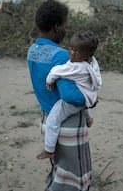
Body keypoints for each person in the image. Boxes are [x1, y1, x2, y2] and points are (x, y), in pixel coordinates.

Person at [27, 0, 92, 191]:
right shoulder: (62, 55)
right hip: (68, 124)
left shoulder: (32, 51)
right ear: (56, 27)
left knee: (58, 167)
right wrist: (89, 99)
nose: (66, 30)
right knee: (74, 174)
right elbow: (70, 96)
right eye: (65, 25)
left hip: (47, 121)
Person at [40, 30, 102, 159]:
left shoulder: (77, 67)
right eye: (71, 48)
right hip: (87, 97)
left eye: (78, 51)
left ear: (88, 54)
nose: (72, 53)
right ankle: (88, 119)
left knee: (52, 120)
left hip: (76, 101)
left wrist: (49, 80)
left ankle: (49, 149)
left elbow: (56, 71)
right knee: (80, 101)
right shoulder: (92, 62)